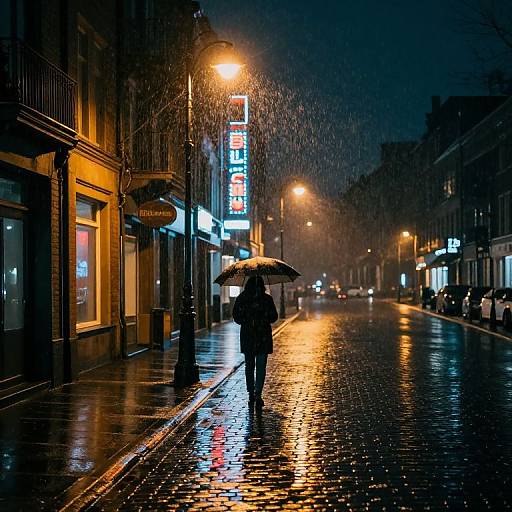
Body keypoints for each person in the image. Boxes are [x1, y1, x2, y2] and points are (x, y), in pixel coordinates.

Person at [232, 276, 278, 408]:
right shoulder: (264, 299)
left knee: (252, 366)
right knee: (258, 366)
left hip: (251, 336)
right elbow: (274, 316)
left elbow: (236, 316)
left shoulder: (244, 298)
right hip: (259, 336)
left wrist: (250, 319)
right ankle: (256, 393)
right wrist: (258, 318)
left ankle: (253, 392)